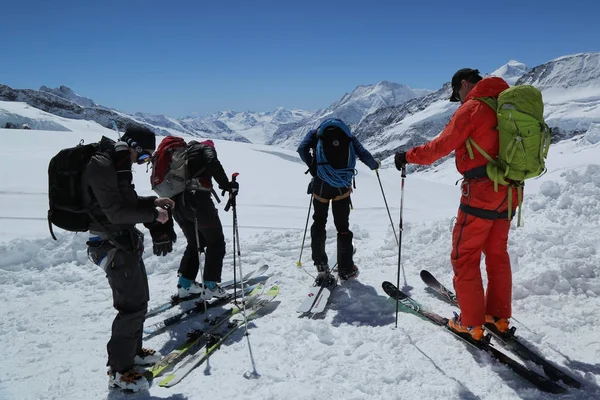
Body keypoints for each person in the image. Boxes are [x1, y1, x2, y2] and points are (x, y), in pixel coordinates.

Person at [394, 68, 516, 340]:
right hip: (510, 193)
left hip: (481, 194)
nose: (459, 99)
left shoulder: (473, 108)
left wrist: (407, 156)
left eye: (457, 94)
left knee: (465, 256)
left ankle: (470, 324)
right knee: (497, 254)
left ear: (464, 85)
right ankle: (497, 317)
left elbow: (438, 148)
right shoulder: (508, 104)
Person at [83, 126, 175, 392]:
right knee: (130, 307)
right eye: (144, 157)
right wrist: (152, 216)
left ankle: (132, 354)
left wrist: (153, 201)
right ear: (131, 144)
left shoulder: (117, 163)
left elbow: (127, 200)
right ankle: (120, 371)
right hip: (109, 244)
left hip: (122, 242)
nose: (142, 162)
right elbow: (115, 212)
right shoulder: (102, 164)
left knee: (139, 301)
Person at [150, 138, 239, 300]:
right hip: (198, 202)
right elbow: (213, 162)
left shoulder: (178, 156)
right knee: (216, 242)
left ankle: (185, 284)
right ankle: (210, 286)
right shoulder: (205, 148)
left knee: (195, 243)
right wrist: (227, 185)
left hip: (177, 205)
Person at [297, 118, 379, 282]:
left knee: (319, 222)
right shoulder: (348, 135)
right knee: (342, 226)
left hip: (321, 186)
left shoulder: (316, 134)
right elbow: (362, 153)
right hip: (342, 186)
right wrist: (374, 165)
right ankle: (346, 269)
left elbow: (301, 149)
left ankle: (321, 265)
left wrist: (314, 170)